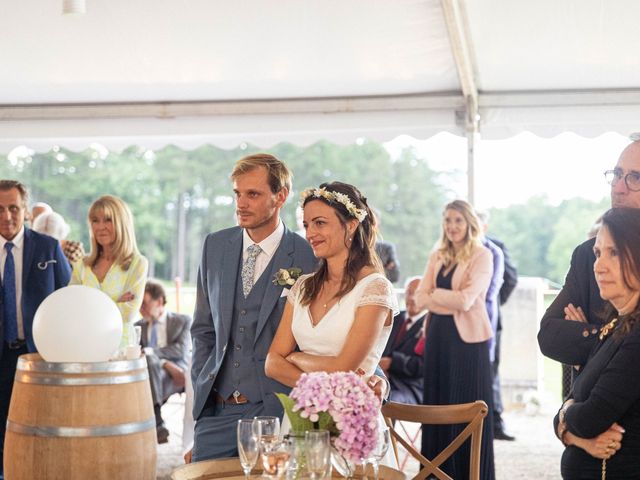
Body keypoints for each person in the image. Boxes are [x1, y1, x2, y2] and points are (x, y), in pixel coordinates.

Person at [190, 153, 317, 461]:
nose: (241, 204)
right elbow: (203, 329)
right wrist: (201, 384)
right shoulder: (215, 246)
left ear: (280, 196)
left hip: (275, 411)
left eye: (253, 194)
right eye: (238, 193)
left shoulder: (309, 256)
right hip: (216, 410)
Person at [265, 181, 398, 464]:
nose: (310, 233)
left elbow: (346, 366)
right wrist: (322, 389)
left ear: (350, 226)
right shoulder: (302, 287)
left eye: (320, 223)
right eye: (306, 224)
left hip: (353, 427)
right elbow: (272, 363)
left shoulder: (375, 288)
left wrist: (297, 357)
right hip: (302, 420)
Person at [553, 208, 640, 479]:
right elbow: (570, 407)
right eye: (598, 253)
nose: (599, 266)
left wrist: (567, 413)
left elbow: (590, 417)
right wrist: (578, 438)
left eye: (613, 253)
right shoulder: (615, 326)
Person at [538, 137, 640, 368]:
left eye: (635, 177)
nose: (619, 187)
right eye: (617, 174)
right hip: (586, 401)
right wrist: (604, 336)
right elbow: (549, 335)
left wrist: (587, 344)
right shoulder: (588, 255)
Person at [414, 199, 495, 480]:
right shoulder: (437, 255)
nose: (452, 226)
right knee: (436, 405)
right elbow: (419, 296)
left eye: (458, 220)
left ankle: (468, 473)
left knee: (465, 407)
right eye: (447, 220)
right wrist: (437, 296)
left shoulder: (482, 255)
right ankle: (435, 474)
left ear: (469, 223)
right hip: (437, 338)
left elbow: (466, 300)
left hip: (467, 343)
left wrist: (435, 295)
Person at [0, 180, 71, 479]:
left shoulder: (48, 247)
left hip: (38, 356)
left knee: (40, 427)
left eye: (13, 208)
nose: (7, 216)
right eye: (0, 209)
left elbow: (66, 298)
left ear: (26, 210)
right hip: (1, 353)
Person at [70, 195, 148, 348]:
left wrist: (88, 309)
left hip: (121, 351)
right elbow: (71, 309)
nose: (100, 227)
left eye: (108, 220)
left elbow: (129, 313)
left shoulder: (137, 264)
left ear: (122, 223)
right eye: (95, 220)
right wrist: (115, 303)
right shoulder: (81, 265)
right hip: (84, 348)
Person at [477, 210, 517, 441]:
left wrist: (493, 302)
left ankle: (496, 422)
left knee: (491, 371)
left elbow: (510, 278)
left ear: (485, 226)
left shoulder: (495, 248)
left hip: (490, 316)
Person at [136, 279, 191, 444]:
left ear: (159, 301)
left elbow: (180, 350)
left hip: (177, 372)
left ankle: (156, 419)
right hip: (154, 372)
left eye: (144, 303)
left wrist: (152, 354)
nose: (140, 309)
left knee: (149, 356)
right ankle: (157, 419)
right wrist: (162, 362)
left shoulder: (182, 321)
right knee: (148, 359)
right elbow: (139, 354)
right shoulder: (138, 326)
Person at [379, 276, 426, 404]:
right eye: (409, 293)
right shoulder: (394, 318)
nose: (412, 298)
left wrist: (392, 362)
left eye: (417, 294)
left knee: (387, 400)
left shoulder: (430, 325)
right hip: (383, 378)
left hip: (409, 386)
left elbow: (424, 366)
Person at [373, 208, 400, 283]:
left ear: (378, 225)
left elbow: (395, 275)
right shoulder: (355, 248)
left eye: (373, 222)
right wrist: (384, 268)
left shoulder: (387, 247)